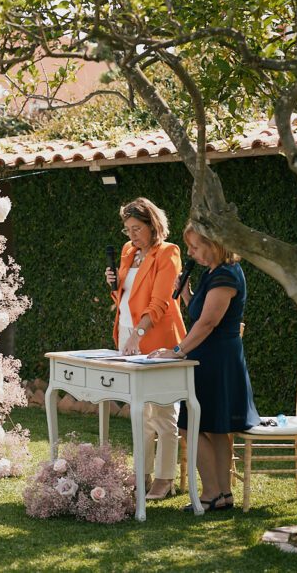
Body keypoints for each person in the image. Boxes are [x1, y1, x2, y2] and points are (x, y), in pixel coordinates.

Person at [150, 223, 260, 512]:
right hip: (209, 357)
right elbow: (201, 313)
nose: (191, 252)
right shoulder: (212, 273)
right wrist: (186, 294)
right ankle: (223, 496)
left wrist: (177, 351)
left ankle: (212, 493)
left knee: (190, 425)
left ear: (214, 243)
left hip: (216, 361)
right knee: (215, 428)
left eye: (195, 246)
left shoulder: (225, 275)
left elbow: (208, 324)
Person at [105, 198, 187, 500]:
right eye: (127, 230)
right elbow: (125, 298)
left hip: (156, 338)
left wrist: (138, 334)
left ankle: (165, 480)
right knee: (140, 413)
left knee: (163, 413)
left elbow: (161, 302)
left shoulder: (168, 253)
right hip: (128, 334)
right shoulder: (128, 252)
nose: (131, 236)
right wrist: (113, 284)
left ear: (153, 225)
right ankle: (142, 475)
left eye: (137, 229)